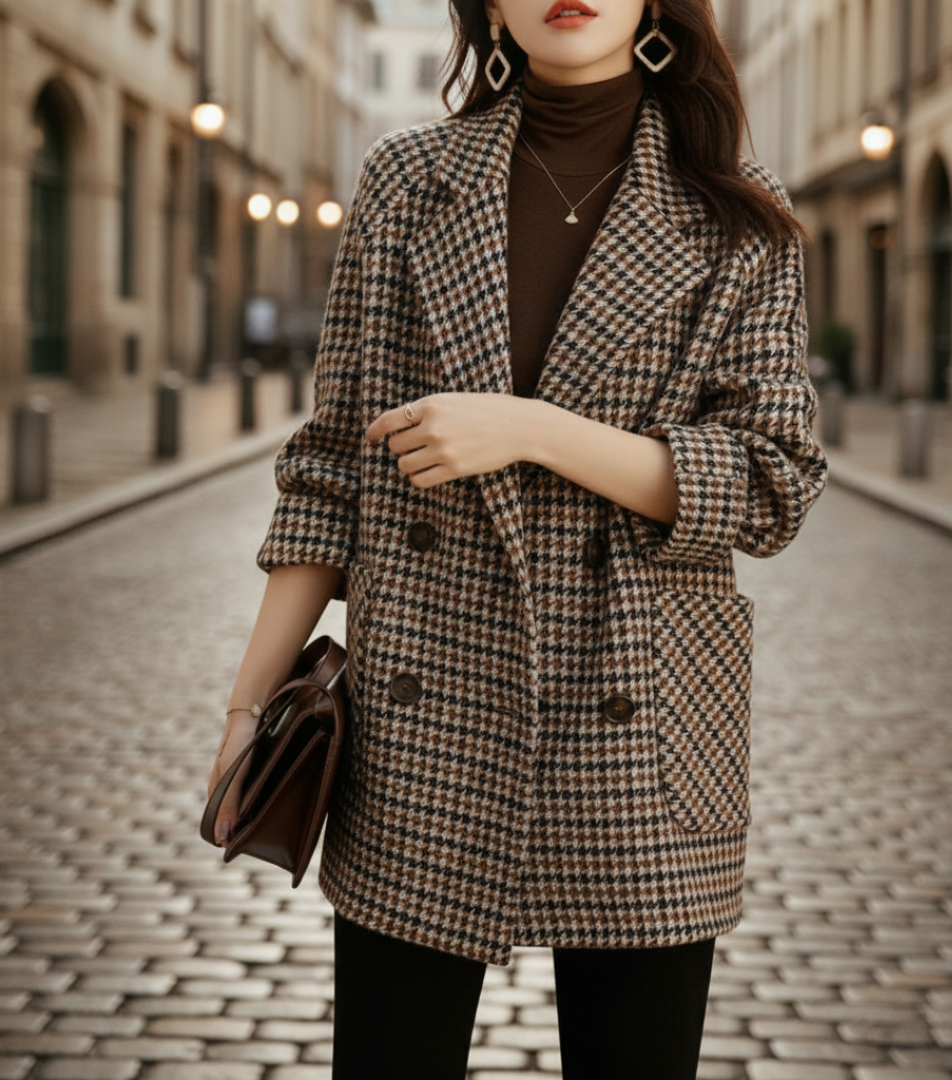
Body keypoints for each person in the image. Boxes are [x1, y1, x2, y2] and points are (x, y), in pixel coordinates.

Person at [207, 1, 828, 1076]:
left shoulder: (739, 215)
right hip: (422, 715)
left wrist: (536, 432)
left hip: (641, 722)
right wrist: (248, 708)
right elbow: (327, 472)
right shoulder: (407, 183)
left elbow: (774, 483)